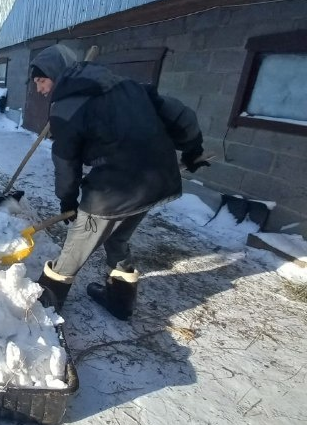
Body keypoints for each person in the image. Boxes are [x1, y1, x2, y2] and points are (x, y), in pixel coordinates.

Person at [30, 44, 210, 321]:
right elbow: (179, 113)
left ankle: (42, 314)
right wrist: (192, 149)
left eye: (41, 81)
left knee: (73, 253)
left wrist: (67, 198)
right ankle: (120, 301)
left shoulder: (65, 108)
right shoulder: (129, 85)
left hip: (115, 187)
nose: (39, 90)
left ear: (56, 74)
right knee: (118, 238)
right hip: (156, 180)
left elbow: (66, 162)